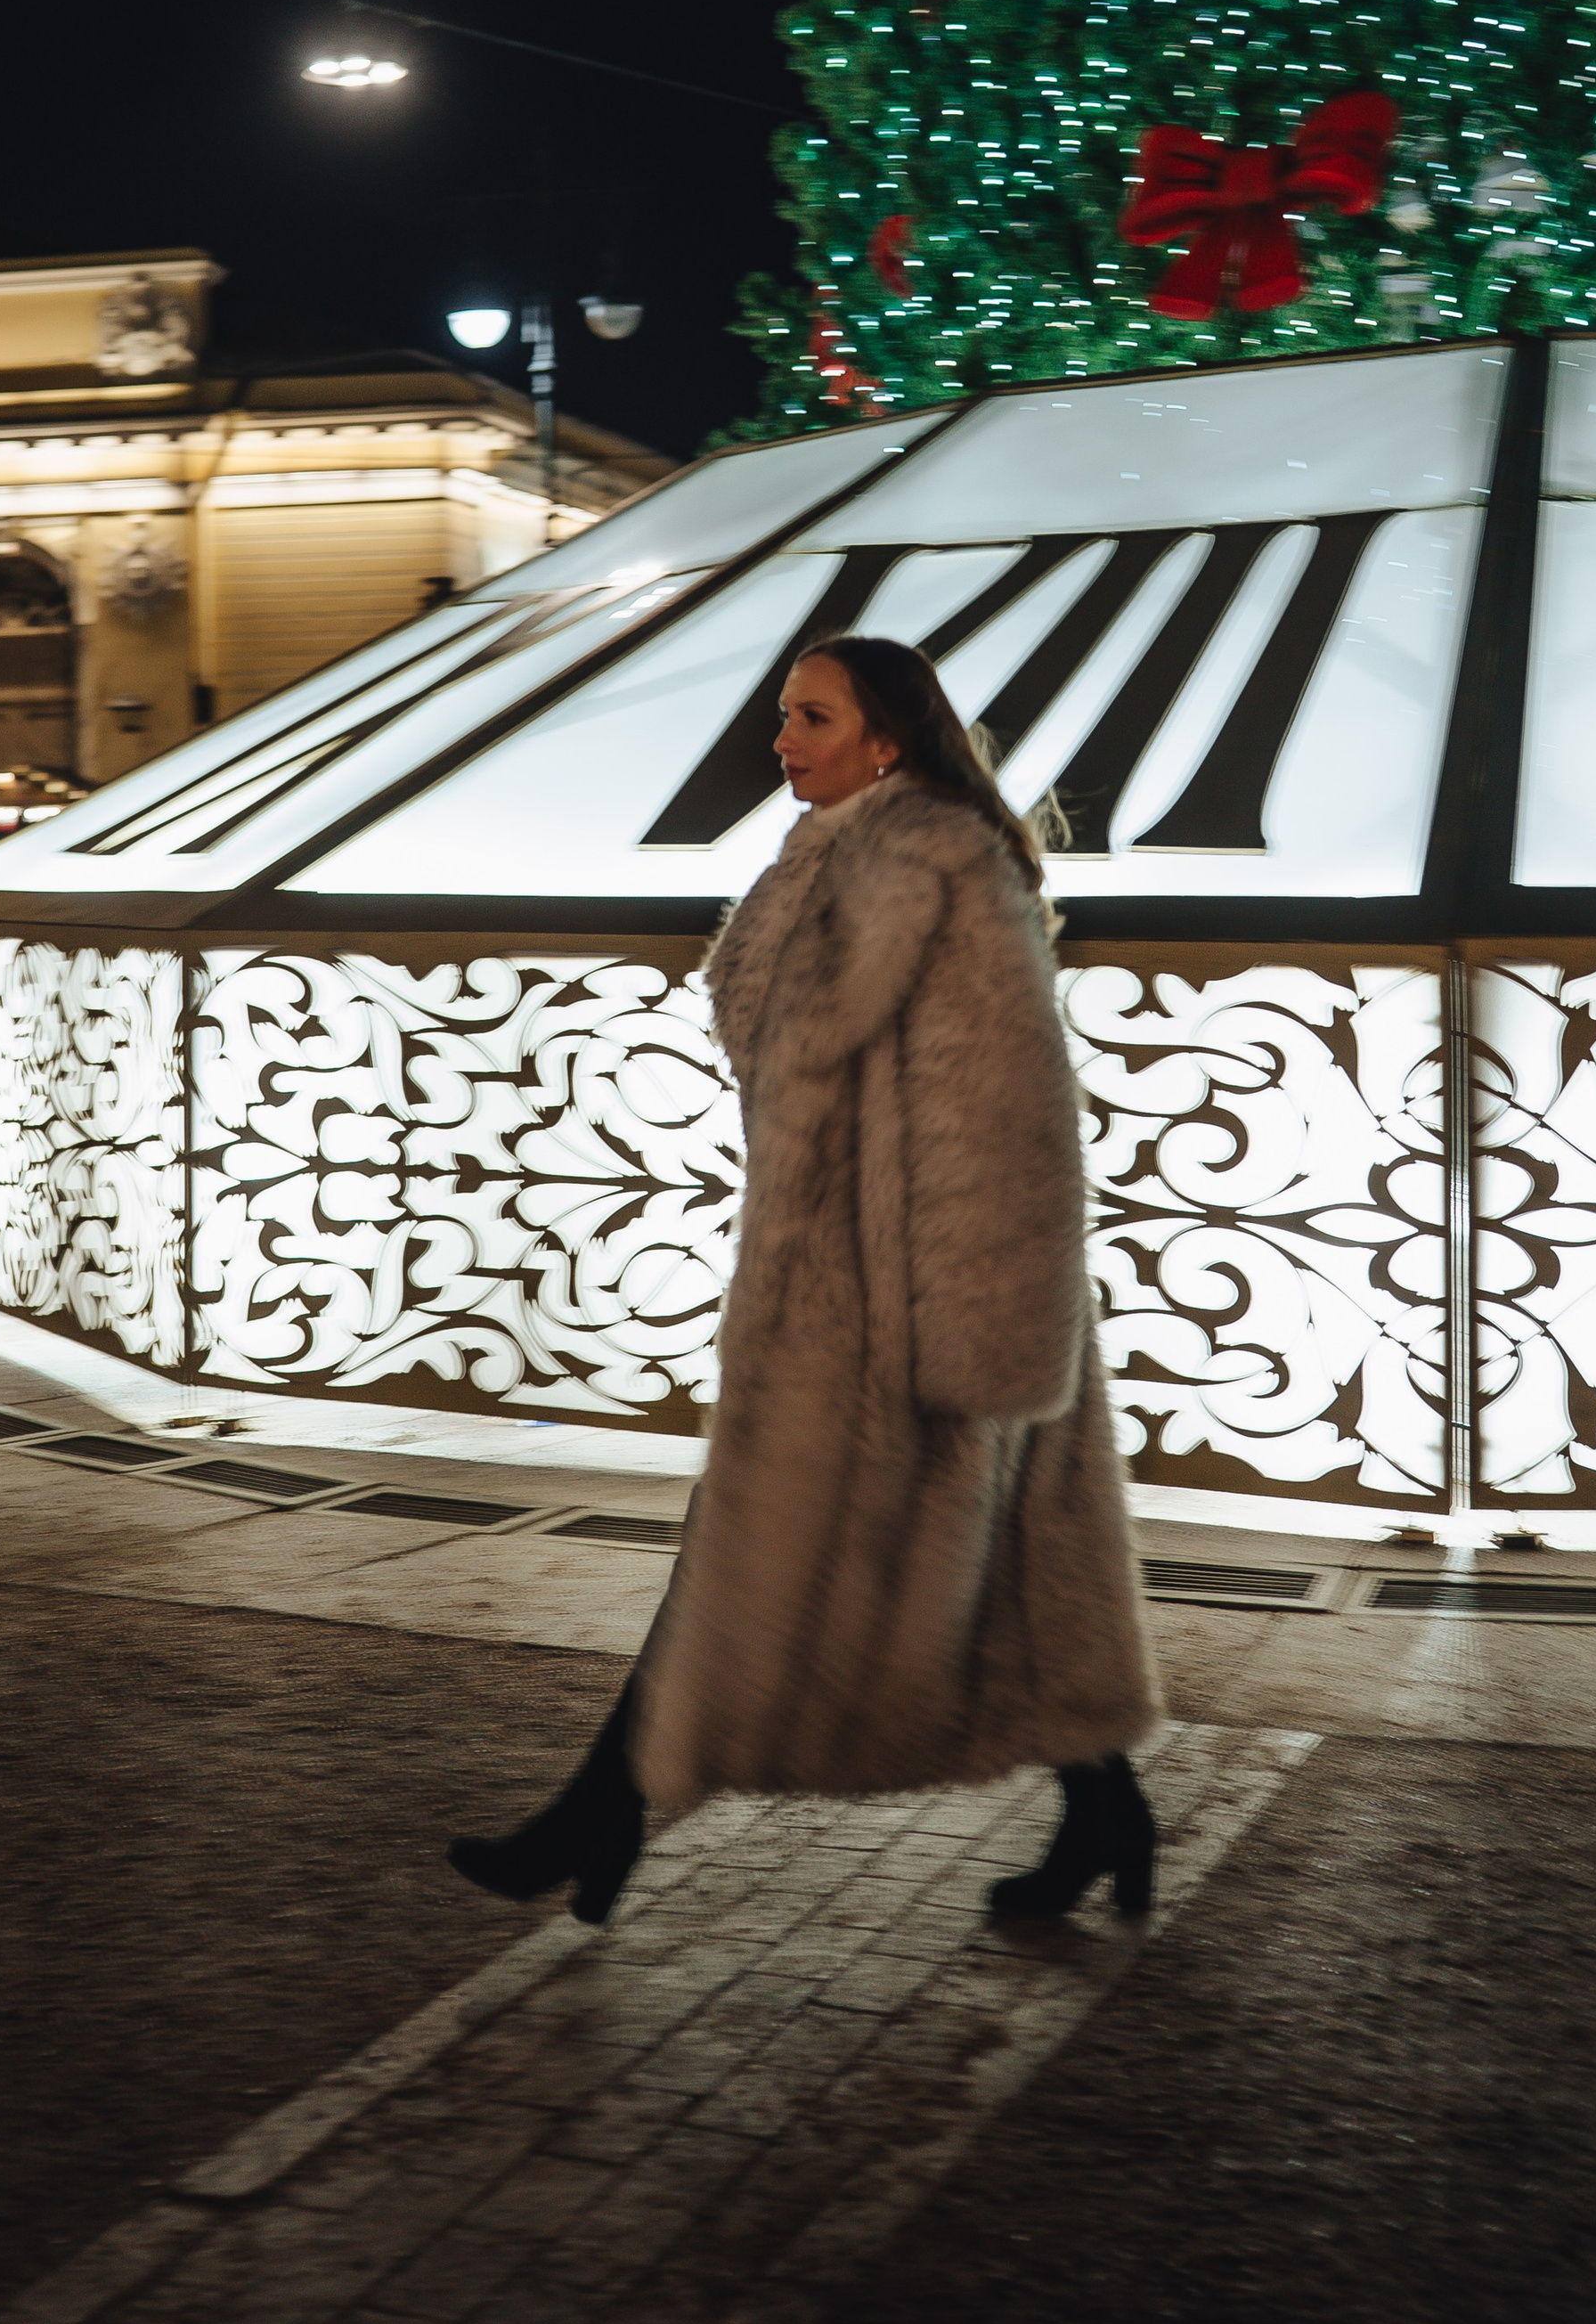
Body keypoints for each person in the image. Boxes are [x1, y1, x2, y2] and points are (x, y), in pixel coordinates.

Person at [448, 635, 1162, 1929]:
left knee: (767, 1564)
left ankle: (595, 1825)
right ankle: (1103, 1809)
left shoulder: (941, 866)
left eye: (813, 717)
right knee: (983, 1585)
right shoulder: (827, 859)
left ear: (886, 738)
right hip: (832, 1291)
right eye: (783, 714)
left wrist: (982, 1343)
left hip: (910, 1313)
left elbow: (1008, 1118)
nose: (782, 739)